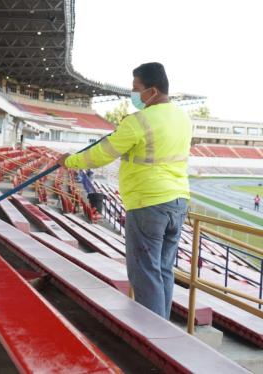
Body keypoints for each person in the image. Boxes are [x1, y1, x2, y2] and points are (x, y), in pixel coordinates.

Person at [57, 62, 192, 319]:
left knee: (145, 273)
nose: (134, 95)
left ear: (152, 90)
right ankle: (162, 331)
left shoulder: (139, 120)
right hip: (178, 201)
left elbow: (100, 155)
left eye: (136, 89)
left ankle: (152, 337)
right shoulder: (182, 117)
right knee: (163, 270)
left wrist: (69, 161)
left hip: (148, 202)